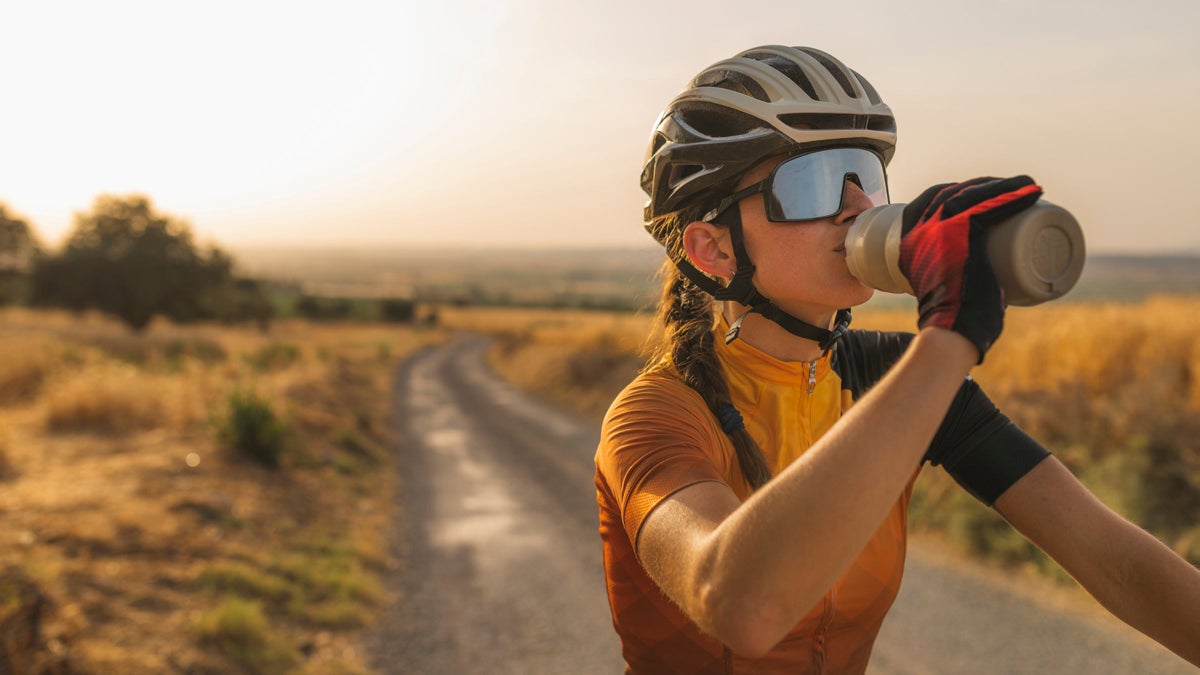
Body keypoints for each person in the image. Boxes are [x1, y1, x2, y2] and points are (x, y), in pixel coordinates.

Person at [594, 44, 1200, 673]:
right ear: (712, 249)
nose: (859, 206)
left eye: (864, 174)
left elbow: (1122, 568)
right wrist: (949, 338)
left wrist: (937, 355)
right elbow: (739, 603)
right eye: (814, 183)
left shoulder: (890, 379)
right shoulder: (653, 417)